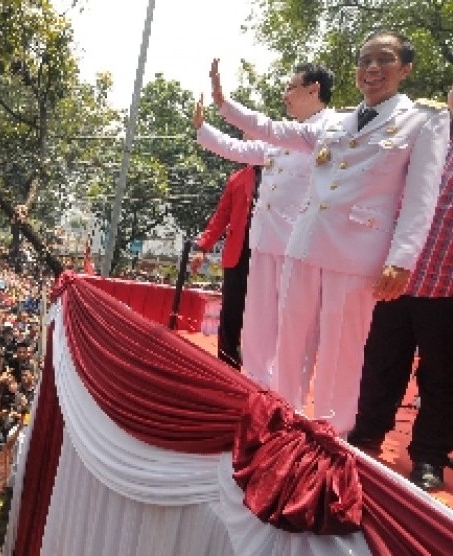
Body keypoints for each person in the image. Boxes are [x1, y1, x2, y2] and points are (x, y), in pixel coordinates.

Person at [209, 30, 451, 434]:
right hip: (304, 245)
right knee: (290, 340)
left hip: (358, 255)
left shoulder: (424, 121)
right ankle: (280, 423)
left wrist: (401, 260)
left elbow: (420, 200)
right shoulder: (337, 122)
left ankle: (329, 434)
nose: (372, 69)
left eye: (384, 59)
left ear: (405, 69)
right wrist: (224, 104)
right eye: (365, 60)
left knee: (342, 351)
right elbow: (275, 131)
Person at [192, 62, 334, 389]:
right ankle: (254, 387)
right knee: (257, 324)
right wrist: (204, 129)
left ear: (313, 89)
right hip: (265, 242)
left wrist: (223, 102)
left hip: (298, 247)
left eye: (290, 87)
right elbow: (239, 149)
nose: (285, 96)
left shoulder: (329, 128)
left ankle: (286, 397)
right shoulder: (284, 136)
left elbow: (266, 127)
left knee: (291, 327)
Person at [348, 83, 453, 491]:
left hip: (446, 284)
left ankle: (428, 457)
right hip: (395, 275)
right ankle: (366, 436)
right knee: (381, 363)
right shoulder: (420, 132)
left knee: (441, 377)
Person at [189, 163, 261, 369]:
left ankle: (258, 370)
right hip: (238, 254)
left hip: (268, 256)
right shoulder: (237, 178)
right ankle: (226, 367)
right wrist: (203, 248)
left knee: (261, 314)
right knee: (231, 312)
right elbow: (221, 215)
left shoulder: (284, 173)